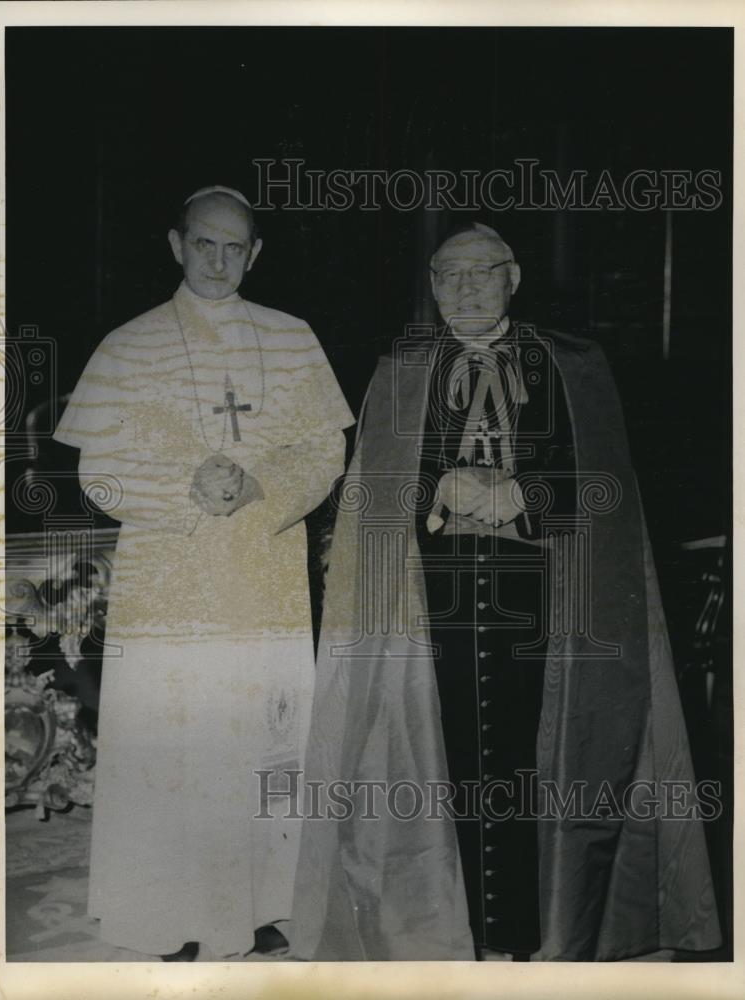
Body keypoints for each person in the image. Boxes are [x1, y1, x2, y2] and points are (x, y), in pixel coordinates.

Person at [290, 222, 721, 961]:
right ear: (430, 285)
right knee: (442, 754)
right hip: (434, 600)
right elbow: (375, 493)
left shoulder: (576, 364)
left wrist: (525, 495)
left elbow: (608, 489)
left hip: (548, 598)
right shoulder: (401, 369)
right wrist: (443, 487)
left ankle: (537, 928)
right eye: (448, 276)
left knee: (542, 761)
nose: (465, 289)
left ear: (514, 277)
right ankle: (451, 928)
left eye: (481, 273)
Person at [54, 186, 354, 960]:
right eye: (204, 245)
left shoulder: (293, 338)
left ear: (255, 254)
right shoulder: (129, 345)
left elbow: (326, 452)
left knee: (264, 737)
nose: (219, 263)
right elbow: (99, 473)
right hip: (171, 577)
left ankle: (265, 901)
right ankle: (166, 912)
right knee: (174, 739)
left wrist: (263, 488)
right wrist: (182, 492)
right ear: (176, 244)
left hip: (264, 567)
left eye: (235, 249)